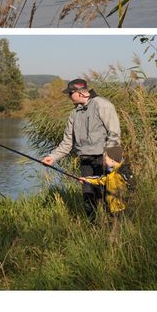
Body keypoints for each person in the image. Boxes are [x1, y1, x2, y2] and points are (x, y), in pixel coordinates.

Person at [42, 78, 121, 219]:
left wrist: (112, 158)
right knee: (89, 200)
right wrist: (52, 157)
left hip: (105, 159)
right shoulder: (74, 114)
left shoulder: (102, 105)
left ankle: (116, 232)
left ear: (79, 93)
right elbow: (67, 143)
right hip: (86, 161)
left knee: (111, 201)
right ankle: (94, 230)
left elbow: (114, 133)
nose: (68, 96)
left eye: (70, 93)